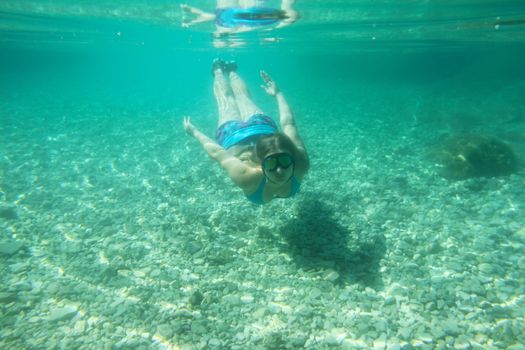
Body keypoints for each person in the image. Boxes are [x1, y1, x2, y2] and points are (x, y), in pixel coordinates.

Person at [183, 59, 309, 204]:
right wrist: (193, 132)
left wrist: (279, 94)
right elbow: (288, 124)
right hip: (238, 132)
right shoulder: (248, 177)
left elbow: (218, 153)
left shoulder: (301, 163)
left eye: (285, 161)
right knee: (233, 98)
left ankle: (226, 70)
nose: (279, 170)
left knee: (232, 99)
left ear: (293, 158)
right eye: (271, 163)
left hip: (247, 130)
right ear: (261, 162)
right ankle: (224, 70)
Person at [180, 0, 298, 47]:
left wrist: (191, 16)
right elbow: (205, 16)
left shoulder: (223, 22)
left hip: (235, 17)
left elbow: (205, 16)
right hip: (241, 18)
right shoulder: (227, 26)